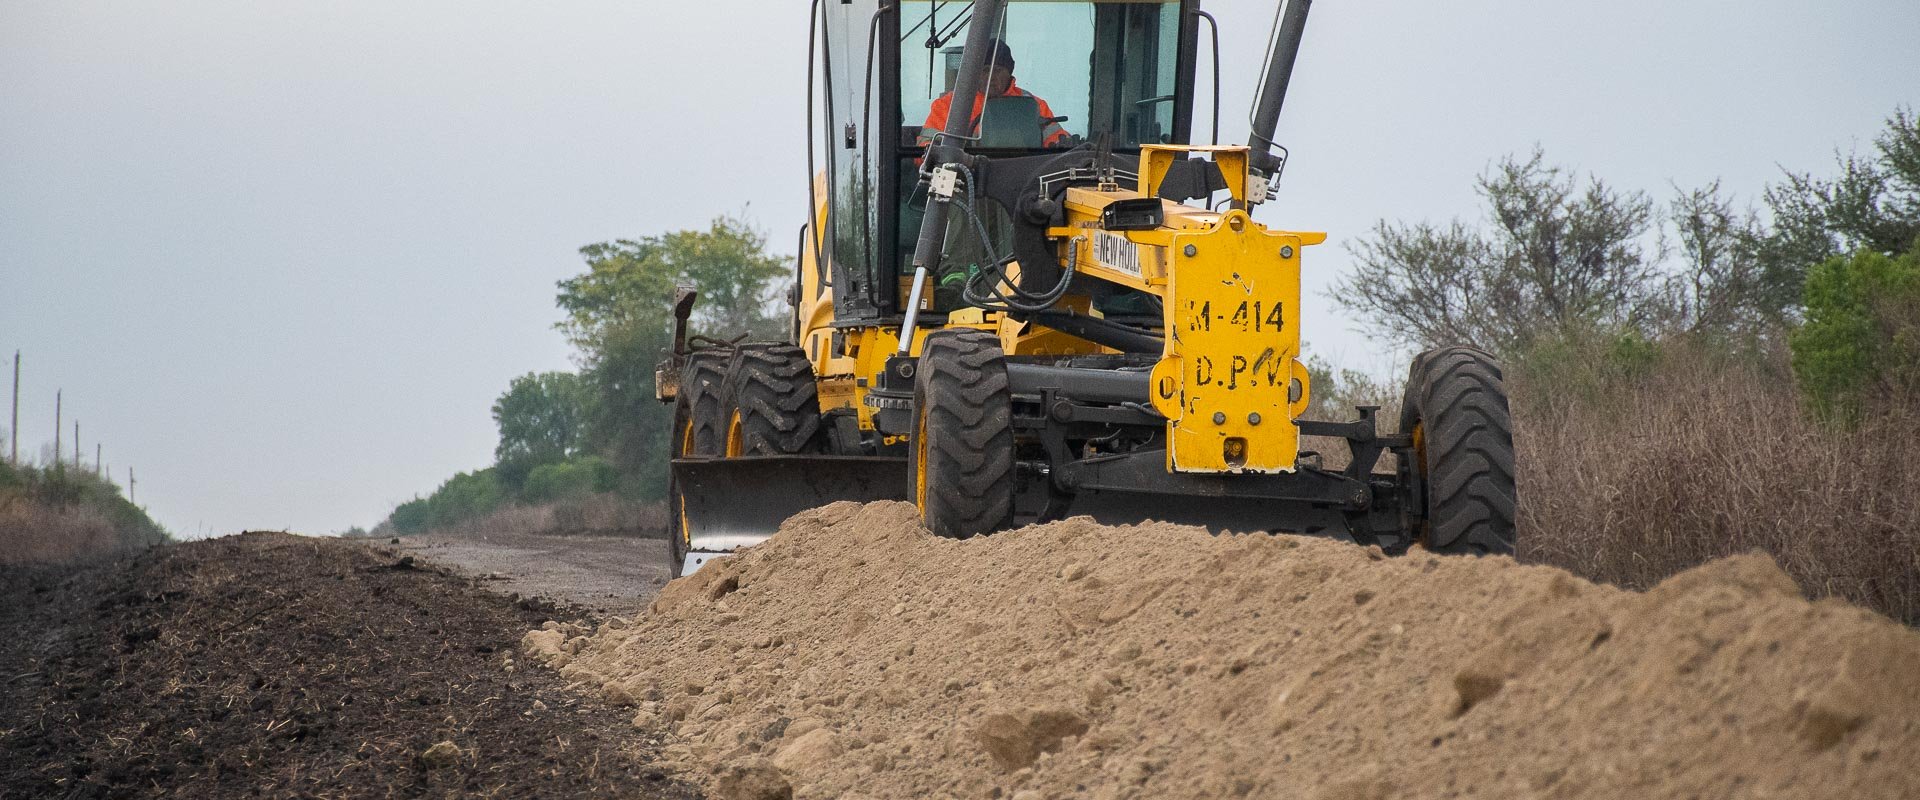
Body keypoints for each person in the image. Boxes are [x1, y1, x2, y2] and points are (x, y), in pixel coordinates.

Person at [917, 39, 1069, 148]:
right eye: (985, 70)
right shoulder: (949, 105)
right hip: (965, 180)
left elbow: (1058, 143)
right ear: (975, 74)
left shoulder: (1034, 105)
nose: (991, 77)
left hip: (1023, 181)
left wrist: (1063, 145)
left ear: (1009, 73)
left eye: (997, 70)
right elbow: (925, 149)